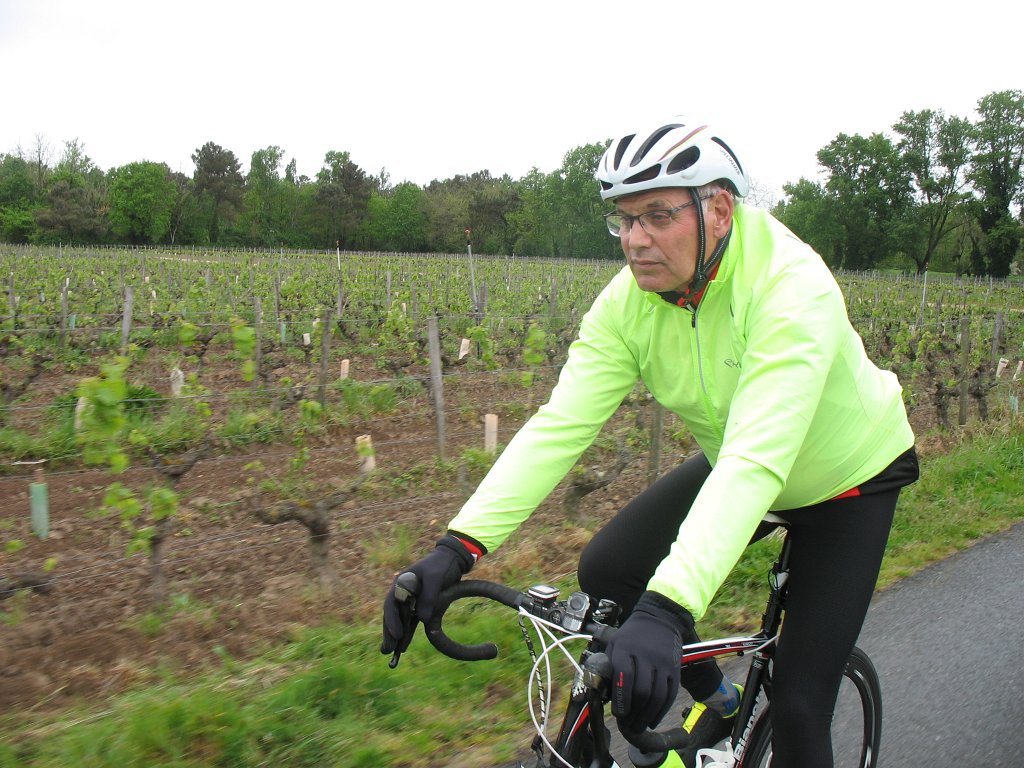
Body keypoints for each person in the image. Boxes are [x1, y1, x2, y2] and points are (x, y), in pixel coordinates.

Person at [381, 118, 919, 767]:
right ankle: (720, 698)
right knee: (610, 572)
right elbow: (560, 425)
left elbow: (756, 458)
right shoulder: (629, 304)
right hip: (738, 462)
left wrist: (669, 609)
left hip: (847, 480)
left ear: (719, 210)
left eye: (658, 216)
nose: (636, 240)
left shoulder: (790, 285)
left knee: (802, 709)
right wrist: (457, 547)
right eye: (625, 219)